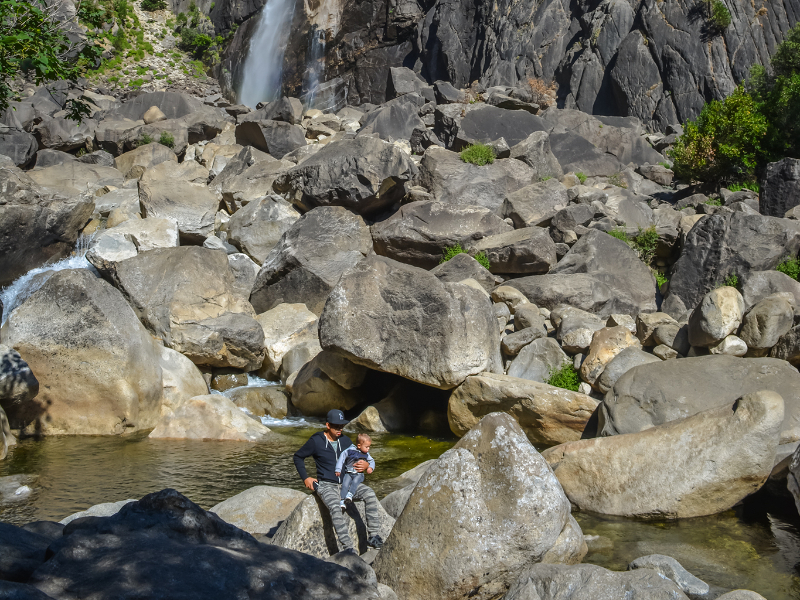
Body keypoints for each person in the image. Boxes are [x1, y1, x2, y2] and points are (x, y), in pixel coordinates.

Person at [293, 409, 384, 550]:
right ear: (328, 425)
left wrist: (366, 465)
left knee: (370, 493)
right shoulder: (316, 441)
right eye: (336, 426)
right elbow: (298, 456)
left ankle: (373, 536)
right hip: (326, 485)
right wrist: (306, 478)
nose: (340, 429)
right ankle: (348, 549)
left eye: (342, 426)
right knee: (336, 508)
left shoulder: (346, 441)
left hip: (347, 483)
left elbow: (364, 455)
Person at [335, 433, 375, 509]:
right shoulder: (349, 451)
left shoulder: (367, 454)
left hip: (359, 474)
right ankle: (342, 501)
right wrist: (338, 469)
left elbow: (372, 461)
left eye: (369, 447)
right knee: (345, 484)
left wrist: (370, 467)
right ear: (359, 446)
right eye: (366, 447)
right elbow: (341, 458)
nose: (368, 449)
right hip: (349, 472)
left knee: (355, 481)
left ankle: (350, 494)